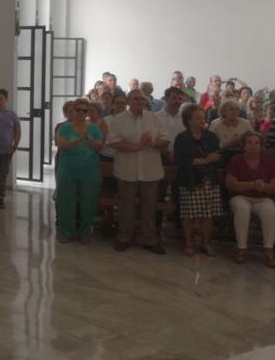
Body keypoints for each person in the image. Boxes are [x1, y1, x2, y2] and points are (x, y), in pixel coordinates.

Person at [107, 90, 169, 253]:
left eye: (143, 99)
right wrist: (137, 147)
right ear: (128, 100)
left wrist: (153, 142)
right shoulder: (119, 119)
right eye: (136, 99)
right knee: (126, 206)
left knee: (149, 207)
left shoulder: (154, 118)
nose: (140, 101)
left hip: (150, 170)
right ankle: (124, 237)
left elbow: (165, 140)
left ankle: (150, 239)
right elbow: (113, 142)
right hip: (127, 169)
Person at [173, 104, 222, 257]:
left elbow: (217, 157)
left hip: (208, 180)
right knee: (188, 214)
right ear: (189, 120)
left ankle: (205, 243)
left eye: (203, 117)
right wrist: (206, 160)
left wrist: (204, 161)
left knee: (207, 215)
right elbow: (182, 161)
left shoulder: (211, 136)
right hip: (189, 180)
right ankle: (188, 243)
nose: (203, 120)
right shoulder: (182, 138)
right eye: (198, 118)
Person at [55, 98, 104, 244]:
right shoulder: (64, 128)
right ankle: (65, 231)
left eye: (85, 110)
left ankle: (85, 232)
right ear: (73, 111)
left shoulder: (94, 128)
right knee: (66, 203)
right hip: (68, 171)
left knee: (88, 203)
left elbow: (99, 147)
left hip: (90, 172)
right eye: (78, 110)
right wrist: (78, 140)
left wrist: (89, 139)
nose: (81, 113)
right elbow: (61, 145)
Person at [226, 132, 275, 266]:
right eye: (249, 142)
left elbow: (273, 186)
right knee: (242, 209)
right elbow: (231, 184)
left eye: (256, 143)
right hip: (240, 197)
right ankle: (241, 248)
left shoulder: (269, 161)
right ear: (243, 145)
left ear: (261, 146)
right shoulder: (236, 160)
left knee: (270, 210)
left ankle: (268, 249)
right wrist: (252, 184)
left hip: (263, 198)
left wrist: (263, 186)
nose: (253, 146)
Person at [156, 87, 185, 161]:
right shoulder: (155, 117)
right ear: (166, 99)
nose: (177, 101)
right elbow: (153, 137)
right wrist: (164, 151)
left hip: (182, 158)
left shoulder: (185, 118)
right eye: (174, 98)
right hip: (159, 157)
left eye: (180, 99)